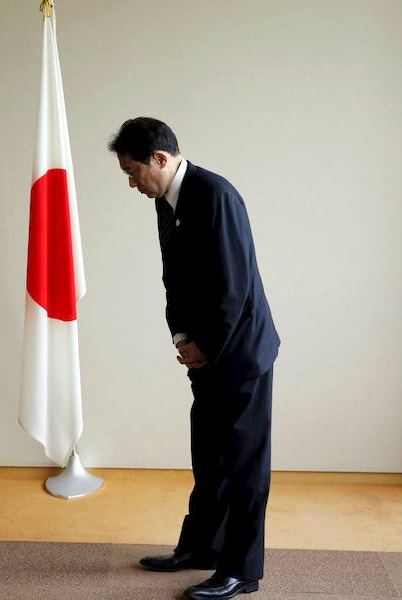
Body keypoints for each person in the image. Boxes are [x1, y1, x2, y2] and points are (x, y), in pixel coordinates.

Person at [108, 117, 280, 600]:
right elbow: (175, 280)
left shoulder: (217, 195)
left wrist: (206, 346)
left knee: (244, 467)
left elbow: (233, 287)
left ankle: (241, 571)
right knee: (208, 458)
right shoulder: (165, 203)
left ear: (160, 159)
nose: (131, 183)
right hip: (203, 353)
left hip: (241, 355)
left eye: (133, 172)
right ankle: (201, 548)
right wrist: (183, 336)